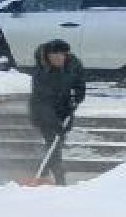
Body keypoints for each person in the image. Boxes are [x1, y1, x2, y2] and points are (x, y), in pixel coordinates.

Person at [27, 39, 85, 185]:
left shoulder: (73, 64)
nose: (59, 58)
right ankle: (60, 178)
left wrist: (77, 98)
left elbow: (80, 83)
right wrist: (55, 124)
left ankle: (42, 170)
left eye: (62, 55)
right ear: (48, 56)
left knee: (56, 144)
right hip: (43, 112)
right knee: (53, 141)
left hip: (64, 108)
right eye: (55, 55)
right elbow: (43, 102)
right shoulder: (41, 73)